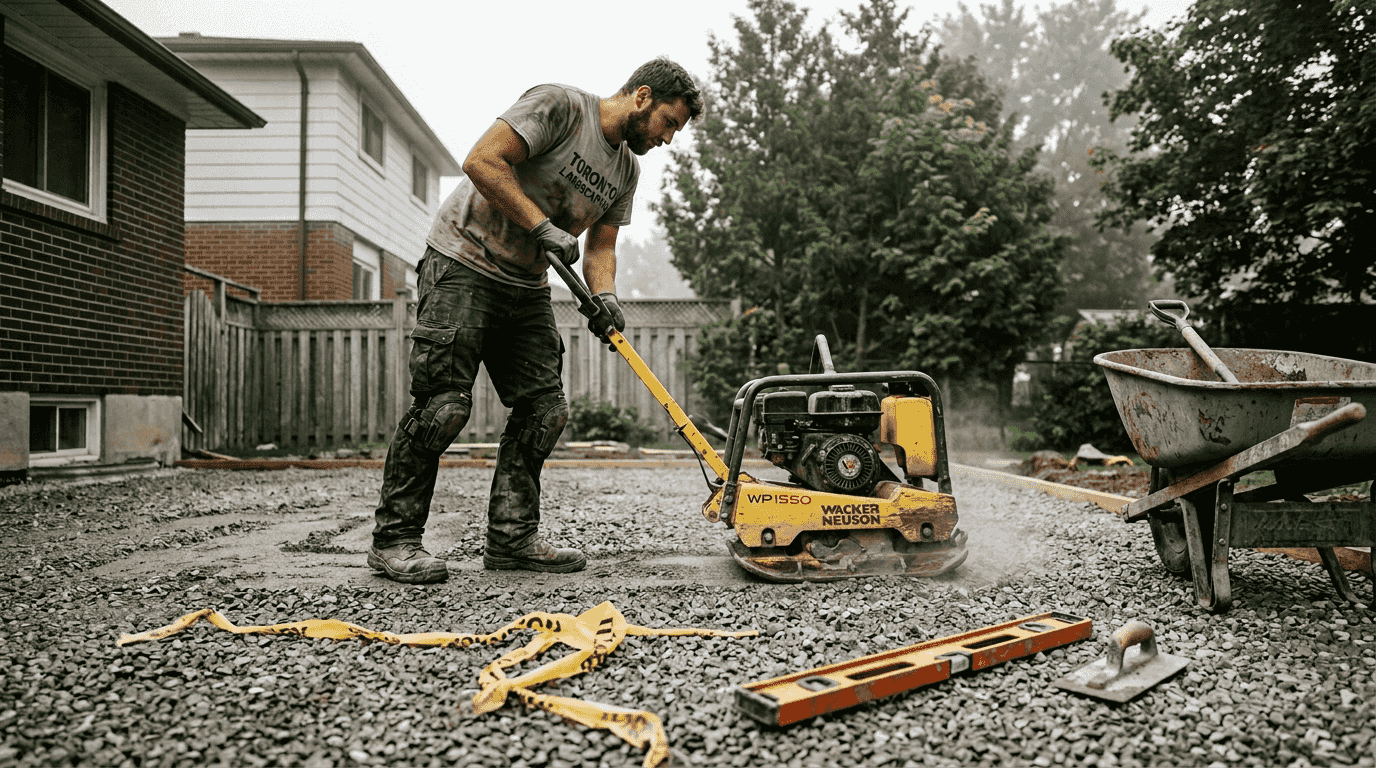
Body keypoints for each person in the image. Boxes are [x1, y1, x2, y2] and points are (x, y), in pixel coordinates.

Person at [367, 58, 703, 584]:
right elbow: (481, 160)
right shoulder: (560, 107)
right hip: (463, 261)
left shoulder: (626, 170)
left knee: (544, 409)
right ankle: (395, 540)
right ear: (642, 97)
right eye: (669, 123)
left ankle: (511, 539)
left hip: (524, 286)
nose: (668, 138)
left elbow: (601, 249)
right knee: (442, 407)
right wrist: (540, 225)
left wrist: (607, 296)